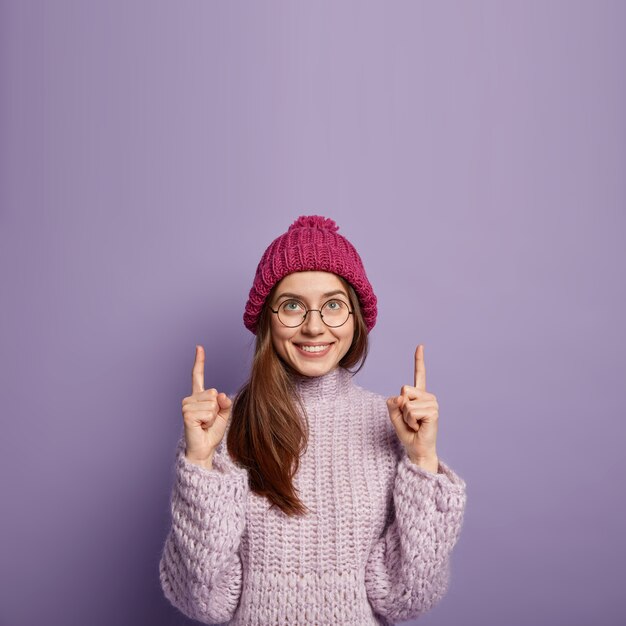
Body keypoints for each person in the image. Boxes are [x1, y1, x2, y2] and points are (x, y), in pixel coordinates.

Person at [158, 214, 467, 625]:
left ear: (355, 317)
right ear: (267, 318)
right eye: (292, 306)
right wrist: (200, 465)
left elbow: (404, 598)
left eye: (333, 305)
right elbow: (202, 601)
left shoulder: (393, 425)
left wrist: (423, 462)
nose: (314, 326)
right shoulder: (220, 427)